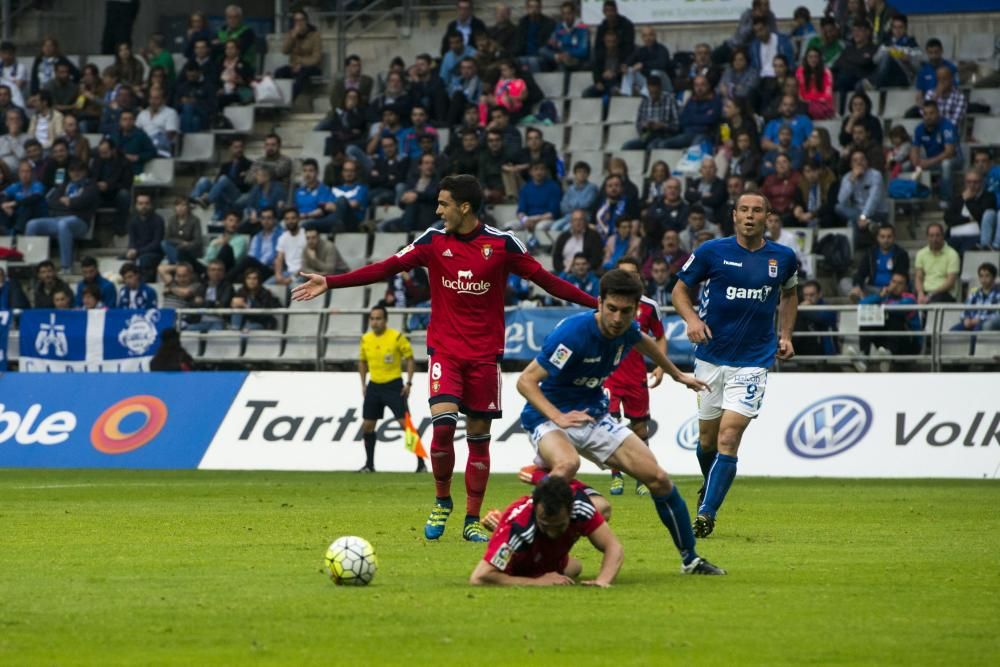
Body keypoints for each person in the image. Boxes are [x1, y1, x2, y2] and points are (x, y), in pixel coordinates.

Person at [293, 175, 600, 542]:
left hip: (485, 357)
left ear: (464, 207)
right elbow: (386, 267)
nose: (438, 211)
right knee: (441, 427)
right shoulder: (432, 241)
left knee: (478, 438)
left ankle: (472, 518)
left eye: (443, 204)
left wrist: (595, 303)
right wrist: (331, 281)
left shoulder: (502, 245)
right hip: (446, 352)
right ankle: (442, 500)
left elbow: (547, 280)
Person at [517, 268, 724, 574]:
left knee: (659, 479)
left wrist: (677, 374)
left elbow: (644, 341)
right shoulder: (572, 334)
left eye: (625, 312)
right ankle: (526, 545)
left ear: (635, 309)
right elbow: (525, 381)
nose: (617, 318)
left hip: (595, 416)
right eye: (611, 309)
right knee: (566, 465)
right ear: (599, 303)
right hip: (548, 419)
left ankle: (690, 559)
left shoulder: (628, 328)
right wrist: (558, 416)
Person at [672, 191, 799, 538]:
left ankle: (706, 513)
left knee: (730, 436)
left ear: (768, 217)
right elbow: (679, 291)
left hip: (753, 361)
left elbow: (789, 294)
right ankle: (709, 484)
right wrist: (691, 320)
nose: (750, 216)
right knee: (707, 440)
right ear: (734, 216)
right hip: (710, 358)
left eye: (757, 210)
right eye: (744, 210)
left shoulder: (783, 258)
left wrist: (785, 334)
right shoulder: (712, 251)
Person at [470, 476, 623, 587]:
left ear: (571, 510)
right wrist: (537, 582)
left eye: (559, 526)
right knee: (571, 568)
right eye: (545, 525)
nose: (552, 532)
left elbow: (613, 547)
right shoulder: (518, 529)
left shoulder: (580, 507)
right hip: (519, 567)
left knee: (575, 567)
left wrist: (602, 581)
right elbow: (480, 576)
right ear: (535, 509)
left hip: (556, 561)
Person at [601, 256, 666, 496]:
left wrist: (660, 366)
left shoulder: (649, 306)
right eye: (622, 274)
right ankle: (616, 476)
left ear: (639, 277)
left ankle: (642, 477)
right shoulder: (606, 304)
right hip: (610, 375)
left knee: (640, 429)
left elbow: (660, 336)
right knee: (610, 426)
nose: (626, 279)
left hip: (636, 376)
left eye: (631, 274)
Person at [357, 304, 425, 473]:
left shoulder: (396, 337)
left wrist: (409, 383)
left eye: (378, 318)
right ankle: (369, 465)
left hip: (394, 386)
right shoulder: (366, 339)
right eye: (372, 319)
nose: (375, 322)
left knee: (405, 425)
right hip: (374, 386)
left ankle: (421, 463)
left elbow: (410, 359)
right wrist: (363, 383)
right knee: (367, 425)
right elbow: (362, 361)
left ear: (385, 320)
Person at [26, 159, 98, 273]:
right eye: (72, 170)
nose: (76, 173)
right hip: (58, 219)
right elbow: (51, 201)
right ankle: (32, 265)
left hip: (80, 222)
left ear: (85, 171)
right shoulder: (65, 185)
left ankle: (66, 267)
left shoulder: (91, 186)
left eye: (79, 170)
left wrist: (70, 202)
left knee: (63, 224)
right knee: (32, 224)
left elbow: (83, 201)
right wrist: (69, 203)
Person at [858, 271, 921, 359]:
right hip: (889, 340)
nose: (895, 285)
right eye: (893, 282)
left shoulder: (910, 298)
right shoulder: (884, 297)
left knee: (894, 317)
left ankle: (890, 354)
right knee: (868, 320)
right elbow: (862, 304)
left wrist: (881, 304)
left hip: (910, 343)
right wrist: (880, 296)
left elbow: (897, 309)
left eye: (900, 283)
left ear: (906, 287)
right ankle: (863, 356)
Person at [910, 100, 962, 206]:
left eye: (931, 113)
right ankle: (913, 200)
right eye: (925, 114)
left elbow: (949, 152)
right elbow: (914, 149)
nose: (928, 117)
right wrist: (915, 161)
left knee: (946, 164)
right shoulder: (919, 129)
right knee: (906, 166)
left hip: (955, 159)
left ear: (938, 113)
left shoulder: (947, 126)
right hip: (933, 160)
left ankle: (945, 199)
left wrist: (928, 162)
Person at [189, 138, 253, 221]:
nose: (238, 150)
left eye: (240, 147)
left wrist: (227, 182)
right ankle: (191, 201)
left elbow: (246, 185)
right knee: (203, 180)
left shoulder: (249, 164)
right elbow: (217, 182)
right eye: (236, 147)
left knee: (224, 179)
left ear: (243, 148)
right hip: (222, 194)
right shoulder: (225, 165)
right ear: (231, 149)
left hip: (237, 195)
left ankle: (207, 201)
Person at [835, 149, 887, 244]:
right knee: (838, 207)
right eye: (855, 160)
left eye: (862, 159)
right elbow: (841, 200)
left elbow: (873, 200)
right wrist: (852, 181)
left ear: (867, 162)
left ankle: (867, 223)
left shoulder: (875, 175)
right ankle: (869, 224)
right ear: (851, 165)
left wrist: (863, 217)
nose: (859, 162)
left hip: (877, 212)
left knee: (852, 222)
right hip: (857, 212)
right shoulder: (847, 177)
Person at [275, 10, 323, 100]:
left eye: (301, 20)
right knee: (279, 72)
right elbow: (284, 51)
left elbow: (316, 58)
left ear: (306, 21)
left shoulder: (315, 35)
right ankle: (278, 99)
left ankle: (289, 100)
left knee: (301, 74)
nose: (299, 23)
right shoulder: (291, 34)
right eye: (296, 21)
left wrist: (300, 63)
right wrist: (292, 38)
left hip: (311, 67)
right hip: (294, 67)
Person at [621, 77, 680, 151]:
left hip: (664, 136)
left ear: (660, 88)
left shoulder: (670, 100)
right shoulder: (645, 102)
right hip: (647, 136)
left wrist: (663, 126)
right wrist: (644, 125)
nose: (653, 96)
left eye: (656, 93)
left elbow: (677, 126)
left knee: (651, 147)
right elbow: (638, 124)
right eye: (651, 93)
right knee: (627, 146)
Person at [945, 170, 997, 253]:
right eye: (969, 182)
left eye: (975, 182)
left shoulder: (988, 197)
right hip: (953, 238)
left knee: (966, 252)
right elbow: (948, 219)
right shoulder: (959, 198)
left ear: (982, 182)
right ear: (965, 183)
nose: (972, 185)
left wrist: (968, 200)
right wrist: (968, 219)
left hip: (975, 237)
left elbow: (979, 215)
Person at [914, 222, 960, 304]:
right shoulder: (921, 253)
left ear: (943, 236)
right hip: (926, 291)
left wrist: (932, 294)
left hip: (945, 293)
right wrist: (920, 293)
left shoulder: (952, 254)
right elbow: (918, 277)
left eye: (937, 235)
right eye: (931, 236)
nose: (934, 239)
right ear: (927, 237)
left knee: (935, 300)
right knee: (909, 300)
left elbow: (950, 281)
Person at [124, 192, 164, 281]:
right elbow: (132, 240)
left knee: (144, 260)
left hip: (154, 253)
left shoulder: (158, 220)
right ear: (136, 205)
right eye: (140, 204)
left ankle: (143, 283)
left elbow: (156, 243)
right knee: (123, 259)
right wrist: (131, 249)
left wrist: (137, 251)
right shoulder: (132, 220)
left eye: (146, 203)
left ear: (151, 205)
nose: (144, 206)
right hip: (138, 252)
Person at [540, 2, 590, 73]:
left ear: (574, 13)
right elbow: (552, 42)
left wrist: (567, 52)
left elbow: (583, 51)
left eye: (568, 13)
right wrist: (551, 43)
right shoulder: (560, 27)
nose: (566, 16)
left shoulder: (582, 28)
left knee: (563, 62)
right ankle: (558, 58)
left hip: (575, 59)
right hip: (560, 56)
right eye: (564, 14)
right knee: (542, 51)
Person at [0, 159, 46, 234]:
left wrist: (14, 203)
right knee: (3, 209)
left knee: (28, 206)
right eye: (22, 171)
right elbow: (2, 196)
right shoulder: (16, 186)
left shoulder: (37, 185)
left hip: (37, 216)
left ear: (32, 173)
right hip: (19, 217)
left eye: (27, 171)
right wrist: (4, 205)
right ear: (18, 173)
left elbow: (34, 198)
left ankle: (16, 232)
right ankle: (4, 230)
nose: (24, 175)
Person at [953, 263, 1000, 335]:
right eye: (981, 276)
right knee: (952, 331)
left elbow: (997, 315)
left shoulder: (998, 294)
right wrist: (966, 319)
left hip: (985, 323)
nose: (984, 279)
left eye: (987, 276)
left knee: (976, 331)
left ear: (994, 277)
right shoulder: (974, 293)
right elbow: (965, 310)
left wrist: (979, 320)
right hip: (971, 322)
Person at [552, 209, 601, 275]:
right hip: (565, 271)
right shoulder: (563, 237)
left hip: (585, 273)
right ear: (571, 222)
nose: (578, 222)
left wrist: (582, 269)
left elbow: (596, 259)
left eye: (580, 219)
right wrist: (564, 270)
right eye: (575, 220)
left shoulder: (593, 236)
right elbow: (556, 258)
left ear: (585, 222)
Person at [135, 87, 179, 158]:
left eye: (157, 98)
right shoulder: (142, 114)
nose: (153, 101)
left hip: (161, 148)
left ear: (164, 100)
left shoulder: (171, 113)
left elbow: (170, 136)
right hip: (144, 148)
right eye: (151, 98)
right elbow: (135, 132)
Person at [272, 208, 306, 286]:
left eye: (293, 218)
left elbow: (308, 263)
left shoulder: (306, 235)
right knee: (267, 285)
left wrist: (291, 278)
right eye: (287, 219)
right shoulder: (283, 237)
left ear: (298, 219)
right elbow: (279, 259)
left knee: (292, 287)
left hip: (303, 273)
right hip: (287, 273)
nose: (290, 221)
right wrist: (278, 275)